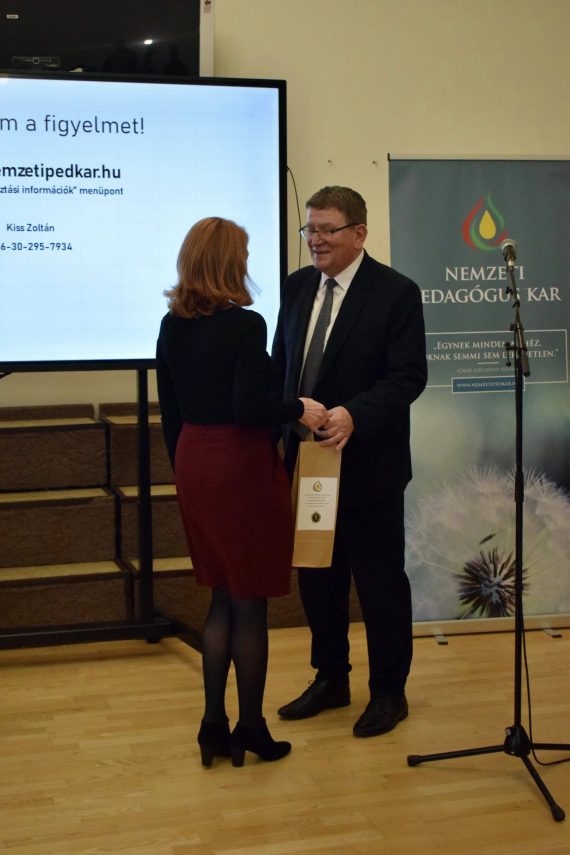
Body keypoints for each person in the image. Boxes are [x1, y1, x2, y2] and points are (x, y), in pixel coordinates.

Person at [156, 216, 327, 766]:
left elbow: (171, 412)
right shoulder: (246, 325)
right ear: (230, 263)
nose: (249, 262)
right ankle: (251, 728)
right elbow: (250, 409)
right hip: (239, 463)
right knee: (249, 603)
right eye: (245, 254)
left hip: (193, 459)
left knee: (221, 597)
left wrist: (188, 472)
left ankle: (213, 726)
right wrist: (299, 408)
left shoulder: (171, 325)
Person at [272, 186, 427, 737]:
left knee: (379, 581)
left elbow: (409, 376)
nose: (314, 240)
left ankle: (389, 692)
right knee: (319, 577)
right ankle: (331, 678)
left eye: (326, 230)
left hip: (369, 464)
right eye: (309, 229)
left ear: (359, 233)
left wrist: (354, 415)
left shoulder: (396, 293)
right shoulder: (295, 287)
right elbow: (282, 363)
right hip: (308, 462)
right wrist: (287, 411)